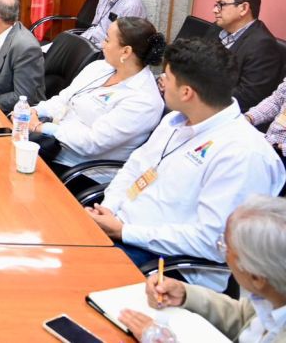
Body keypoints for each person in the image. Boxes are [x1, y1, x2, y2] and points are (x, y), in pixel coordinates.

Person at [86, 38, 286, 290]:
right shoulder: (175, 120)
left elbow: (211, 241)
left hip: (167, 266)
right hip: (119, 227)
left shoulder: (244, 155)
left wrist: (124, 231)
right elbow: (135, 166)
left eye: (167, 77)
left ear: (187, 93)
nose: (161, 82)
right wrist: (108, 209)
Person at [118, 195, 286, 343]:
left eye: (225, 247)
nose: (222, 250)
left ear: (256, 277)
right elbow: (244, 317)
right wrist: (186, 295)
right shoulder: (273, 297)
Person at [28, 17, 165, 174]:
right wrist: (35, 111)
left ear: (126, 51)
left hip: (79, 169)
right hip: (51, 146)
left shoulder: (144, 100)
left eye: (107, 40)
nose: (102, 44)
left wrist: (42, 127)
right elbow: (64, 99)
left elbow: (92, 143)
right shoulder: (100, 68)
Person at [205, 0, 282, 111]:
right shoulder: (217, 28)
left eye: (221, 5)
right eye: (215, 5)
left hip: (224, 111)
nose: (215, 10)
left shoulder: (263, 45)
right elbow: (197, 59)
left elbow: (248, 96)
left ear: (243, 8)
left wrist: (200, 93)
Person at [245, 76, 286, 169]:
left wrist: (279, 147)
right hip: (269, 147)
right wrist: (249, 117)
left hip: (279, 152)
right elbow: (276, 101)